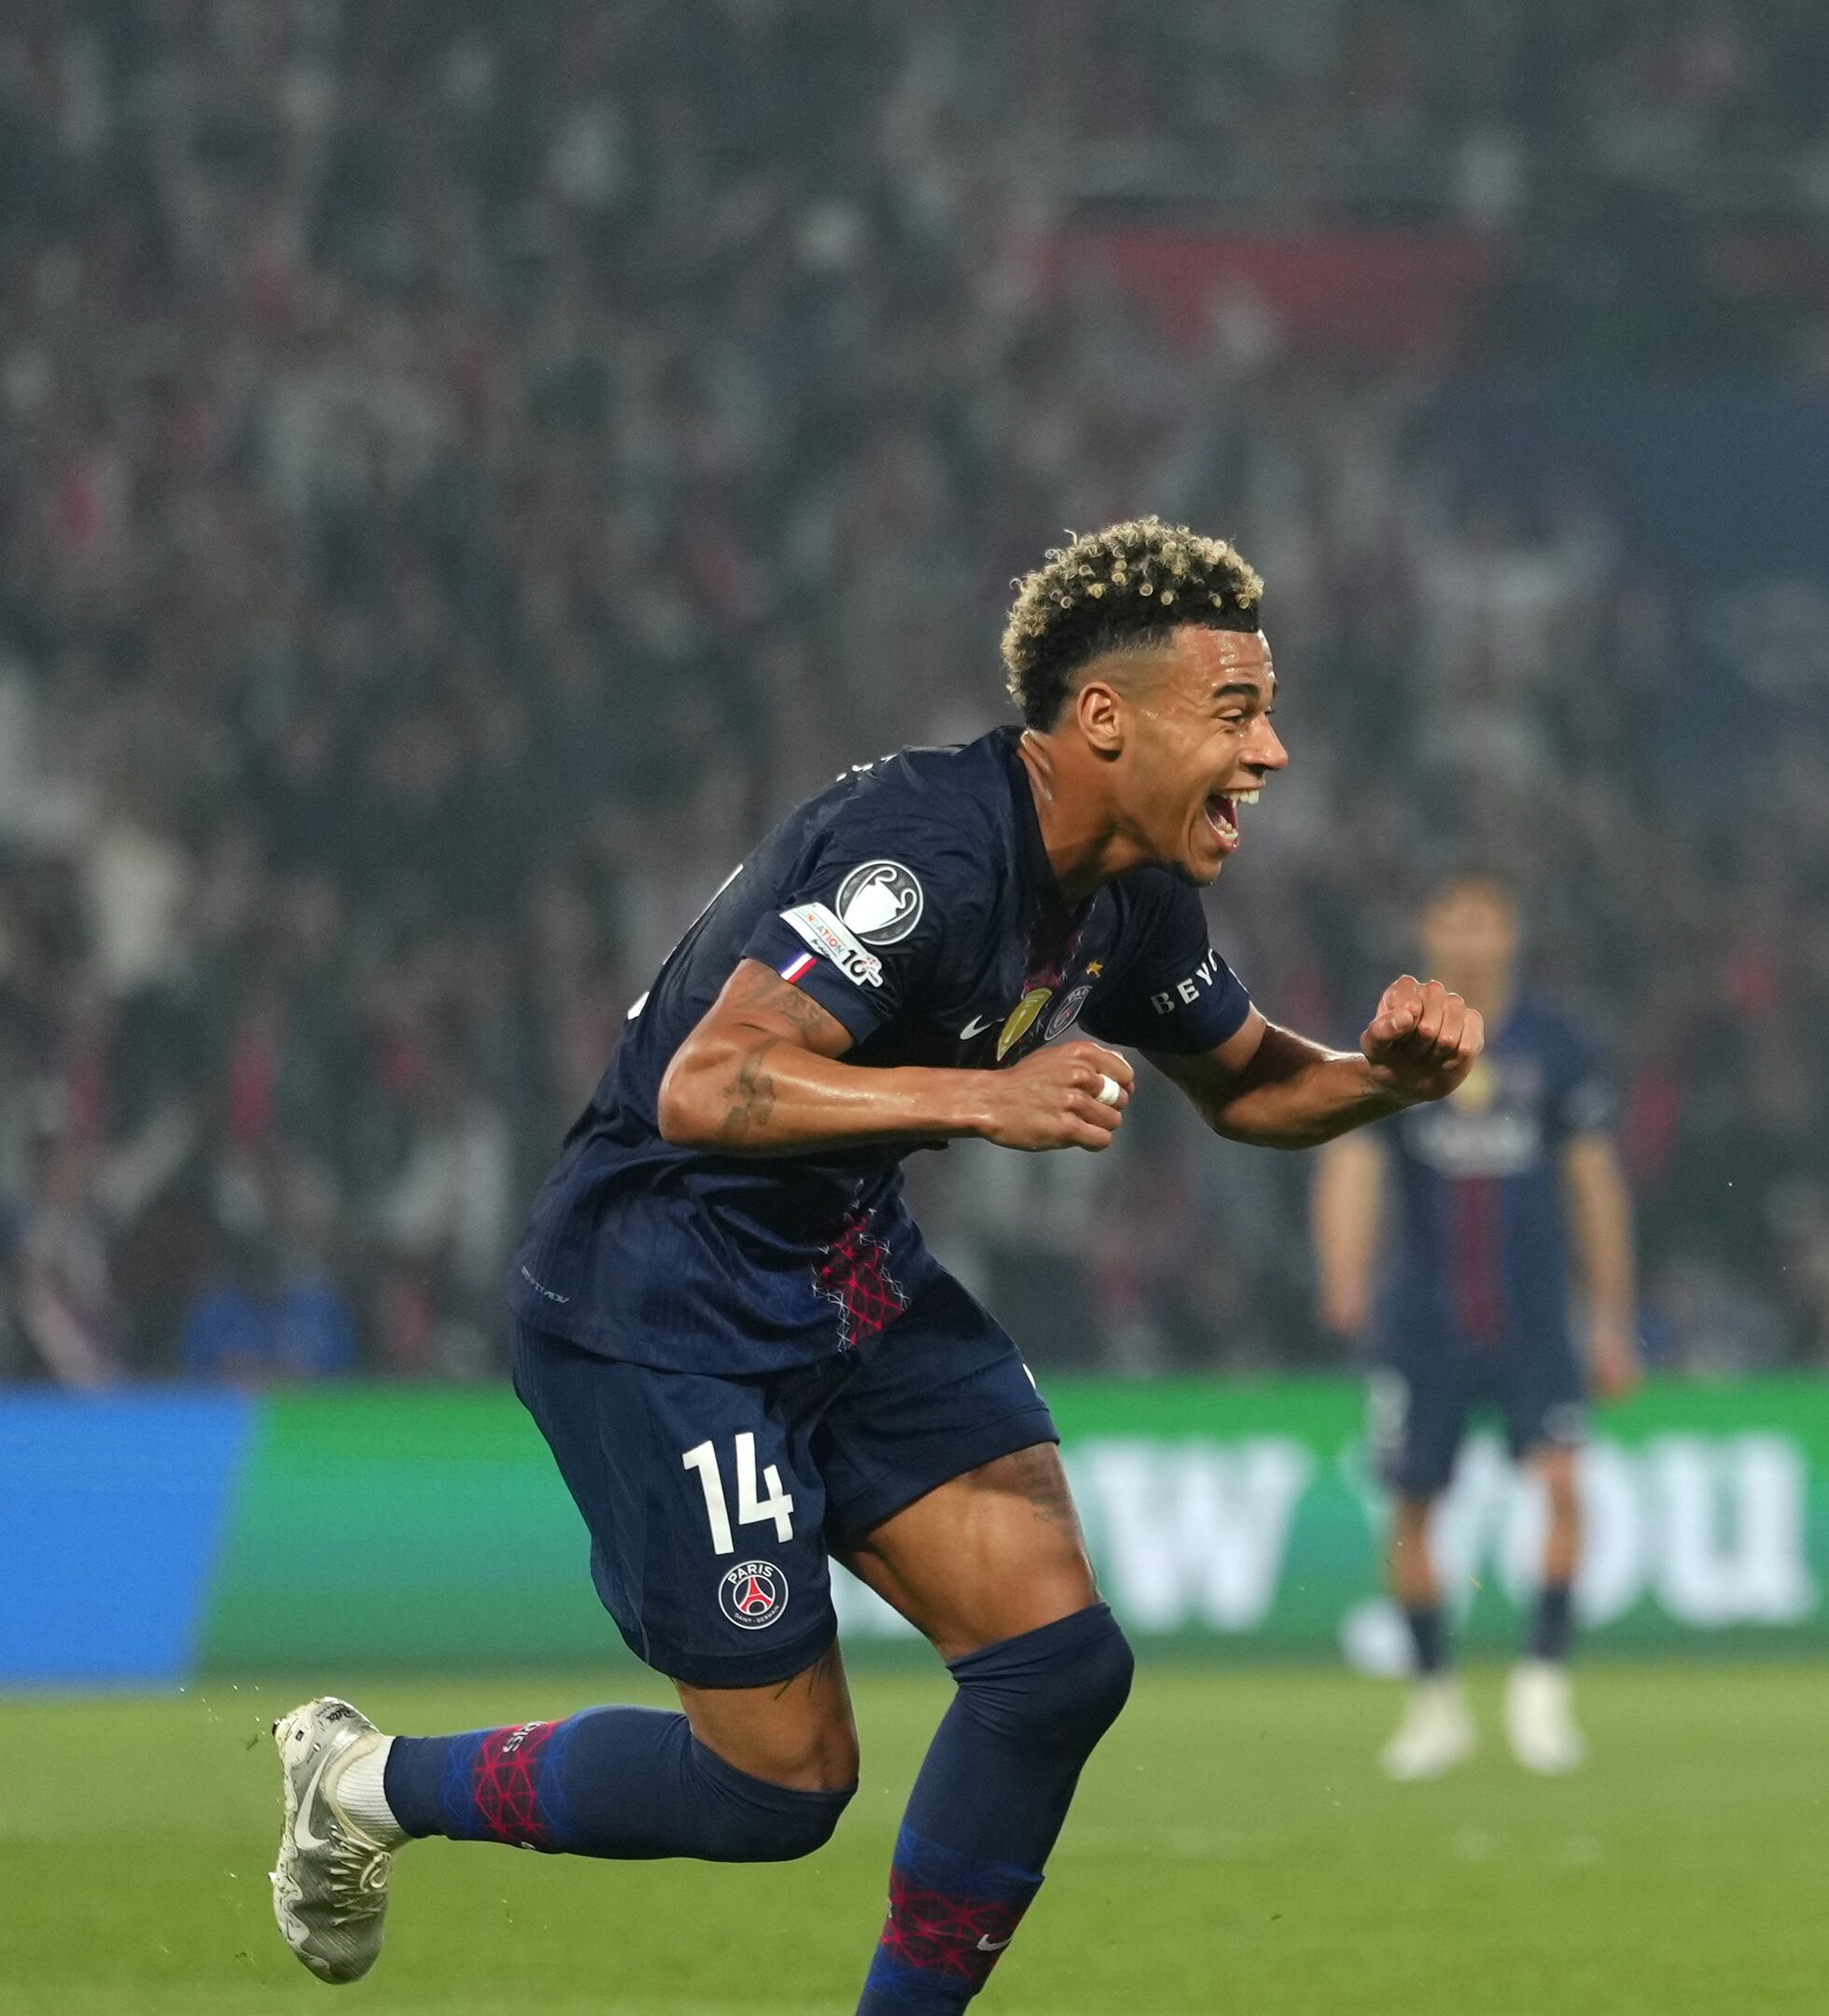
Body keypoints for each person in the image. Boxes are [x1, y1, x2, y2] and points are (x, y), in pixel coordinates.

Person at [262, 521, 1485, 2009]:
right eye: (1236, 714)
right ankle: (368, 1783)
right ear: (1105, 719)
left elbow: (1247, 1087)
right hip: (661, 1298)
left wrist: (1384, 1081)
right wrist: (981, 1096)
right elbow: (706, 1088)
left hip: (841, 1268)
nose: (1274, 752)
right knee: (776, 1791)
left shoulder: (1132, 890)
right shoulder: (923, 852)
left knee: (1057, 1665)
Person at [1312, 874, 1641, 1778]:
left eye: (1485, 922)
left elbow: (1594, 1185)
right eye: (1453, 922)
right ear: (1428, 934)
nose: (1469, 939)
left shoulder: (1553, 1046)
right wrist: (1343, 1274)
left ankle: (1541, 1689)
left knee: (1566, 1487)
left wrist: (1612, 1318)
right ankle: (1434, 1704)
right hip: (1423, 1319)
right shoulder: (1397, 1043)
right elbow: (1354, 1159)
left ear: (1510, 935)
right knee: (1413, 1505)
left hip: (1536, 1318)